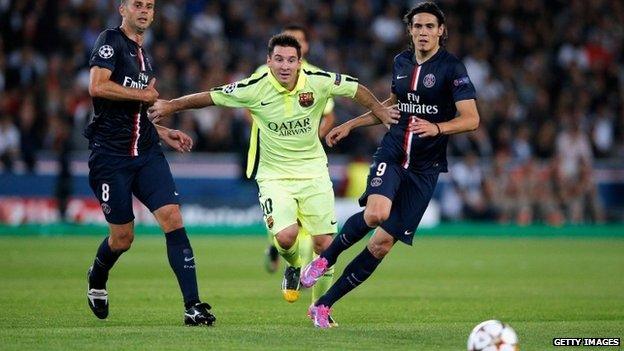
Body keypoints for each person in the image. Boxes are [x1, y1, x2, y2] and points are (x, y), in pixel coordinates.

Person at [148, 34, 398, 323]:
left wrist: (379, 109)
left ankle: (321, 309)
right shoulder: (255, 87)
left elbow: (356, 88)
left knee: (324, 245)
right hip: (274, 175)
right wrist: (170, 106)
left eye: (291, 60)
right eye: (278, 59)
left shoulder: (317, 80)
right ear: (268, 62)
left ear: (299, 62)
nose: (284, 65)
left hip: (313, 171)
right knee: (286, 236)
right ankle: (293, 265)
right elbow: (209, 97)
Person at [299, 2, 480, 328]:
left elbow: (471, 119)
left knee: (381, 245)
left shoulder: (452, 69)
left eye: (429, 27)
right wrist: (351, 124)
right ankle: (325, 259)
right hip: (393, 153)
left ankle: (324, 305)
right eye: (417, 27)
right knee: (377, 213)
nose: (423, 32)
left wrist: (438, 128)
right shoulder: (401, 62)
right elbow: (391, 107)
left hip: (426, 169)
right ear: (410, 31)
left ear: (441, 31)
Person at [84, 0, 215, 326]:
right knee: (123, 239)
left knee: (172, 218)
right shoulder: (109, 41)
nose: (144, 10)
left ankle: (193, 306)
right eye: (137, 4)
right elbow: (97, 86)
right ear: (122, 9)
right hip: (110, 158)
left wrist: (163, 130)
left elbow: (135, 113)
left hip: (146, 153)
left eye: (150, 6)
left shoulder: (146, 56)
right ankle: (98, 275)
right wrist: (142, 97)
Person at [256, 25, 337, 278]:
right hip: (269, 157)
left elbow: (328, 115)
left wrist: (311, 137)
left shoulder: (316, 77)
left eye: (300, 41)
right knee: (282, 218)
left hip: (307, 161)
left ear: (305, 48)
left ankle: (295, 264)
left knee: (310, 229)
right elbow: (249, 105)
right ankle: (280, 248)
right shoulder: (263, 73)